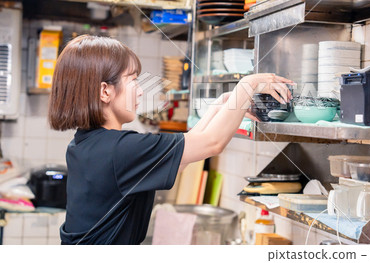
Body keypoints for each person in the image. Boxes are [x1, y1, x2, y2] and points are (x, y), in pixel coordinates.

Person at [48, 35, 293, 245]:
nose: (141, 90)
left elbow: (186, 152)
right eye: (133, 80)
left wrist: (221, 105)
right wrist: (247, 85)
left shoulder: (87, 144)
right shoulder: (120, 149)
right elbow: (212, 143)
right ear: (105, 91)